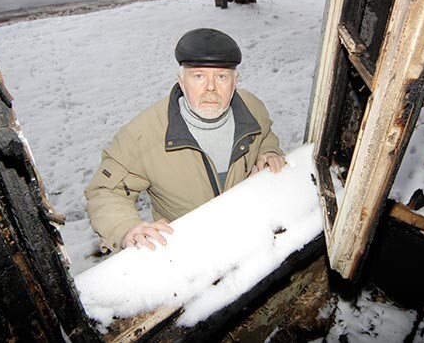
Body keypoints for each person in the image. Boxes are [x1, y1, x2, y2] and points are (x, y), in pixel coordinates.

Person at [85, 28, 286, 253]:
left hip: (250, 240)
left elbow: (266, 136)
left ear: (235, 81)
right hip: (187, 255)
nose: (211, 87)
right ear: (181, 81)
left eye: (221, 76)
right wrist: (126, 227)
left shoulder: (252, 108)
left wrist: (268, 153)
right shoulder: (144, 135)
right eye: (198, 76)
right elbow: (104, 190)